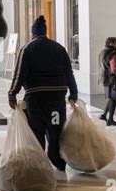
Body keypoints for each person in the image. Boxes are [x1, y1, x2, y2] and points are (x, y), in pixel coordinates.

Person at [8, 15, 78, 172]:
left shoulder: (27, 49)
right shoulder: (59, 48)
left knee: (37, 130)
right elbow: (69, 73)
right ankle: (57, 160)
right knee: (56, 130)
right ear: (45, 32)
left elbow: (18, 74)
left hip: (36, 98)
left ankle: (39, 165)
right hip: (57, 99)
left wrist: (12, 94)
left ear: (33, 33)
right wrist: (73, 93)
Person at [98, 37, 116, 127]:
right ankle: (110, 120)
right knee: (113, 99)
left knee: (112, 98)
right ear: (112, 44)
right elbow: (114, 69)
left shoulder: (102, 52)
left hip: (104, 78)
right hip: (111, 79)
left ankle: (104, 116)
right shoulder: (113, 54)